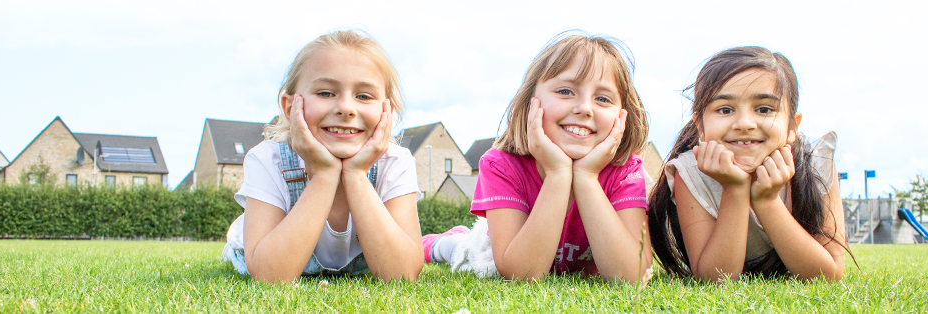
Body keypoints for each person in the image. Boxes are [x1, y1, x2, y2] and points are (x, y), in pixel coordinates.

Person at [423, 33, 652, 283]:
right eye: (565, 91)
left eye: (602, 99)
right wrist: (557, 174)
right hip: (492, 246)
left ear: (622, 116)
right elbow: (522, 273)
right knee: (463, 251)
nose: (585, 108)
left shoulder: (626, 171)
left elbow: (633, 276)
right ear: (530, 102)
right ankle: (444, 242)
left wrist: (586, 178)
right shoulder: (500, 165)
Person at [221, 30, 422, 282]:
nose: (346, 108)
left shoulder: (395, 162)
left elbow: (402, 275)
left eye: (363, 96)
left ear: (387, 111)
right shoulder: (266, 160)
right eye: (326, 93)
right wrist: (325, 175)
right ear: (289, 106)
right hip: (257, 249)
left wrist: (357, 175)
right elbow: (269, 276)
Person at [647, 46, 851, 282]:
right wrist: (735, 189)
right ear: (700, 126)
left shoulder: (817, 162)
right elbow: (715, 279)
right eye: (725, 110)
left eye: (764, 109)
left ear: (792, 127)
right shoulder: (691, 173)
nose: (744, 123)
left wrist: (767, 200)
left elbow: (827, 276)